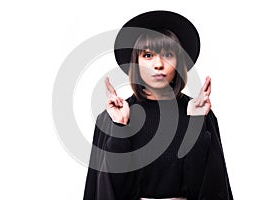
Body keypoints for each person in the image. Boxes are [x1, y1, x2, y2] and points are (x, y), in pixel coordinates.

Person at [83, 10, 233, 200]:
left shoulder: (200, 114)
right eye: (147, 55)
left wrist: (195, 123)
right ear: (135, 63)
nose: (158, 64)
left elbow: (209, 188)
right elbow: (106, 191)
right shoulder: (110, 118)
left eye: (168, 54)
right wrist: (120, 128)